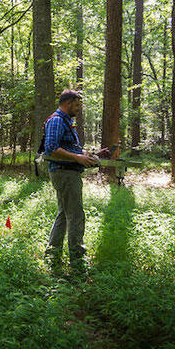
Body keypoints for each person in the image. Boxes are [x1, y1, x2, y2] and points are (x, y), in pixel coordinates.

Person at [43, 89, 109, 267]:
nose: (78, 109)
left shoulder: (65, 122)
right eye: (77, 105)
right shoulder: (57, 120)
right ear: (68, 103)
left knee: (64, 214)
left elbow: (67, 148)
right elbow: (51, 147)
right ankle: (77, 259)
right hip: (64, 173)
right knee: (76, 215)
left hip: (68, 172)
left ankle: (52, 254)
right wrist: (78, 158)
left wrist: (87, 154)